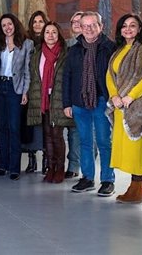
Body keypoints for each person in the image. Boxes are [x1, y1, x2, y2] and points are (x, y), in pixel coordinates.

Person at [63, 11, 116, 196]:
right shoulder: (74, 49)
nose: (89, 29)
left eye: (93, 25)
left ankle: (108, 180)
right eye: (85, 26)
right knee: (85, 141)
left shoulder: (110, 48)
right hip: (79, 102)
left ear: (101, 26)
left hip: (102, 101)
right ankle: (87, 178)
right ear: (81, 28)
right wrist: (67, 103)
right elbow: (67, 77)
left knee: (103, 141)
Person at [106, 14, 142, 203]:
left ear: (139, 29)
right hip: (121, 107)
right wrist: (114, 96)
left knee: (136, 148)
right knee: (126, 148)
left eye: (132, 26)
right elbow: (109, 75)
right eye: (124, 26)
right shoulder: (119, 50)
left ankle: (137, 187)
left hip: (137, 107)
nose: (128, 29)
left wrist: (130, 96)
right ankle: (135, 186)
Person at [27, 22, 72, 183]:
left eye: (54, 32)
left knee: (57, 135)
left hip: (58, 99)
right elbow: (34, 77)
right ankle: (50, 168)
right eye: (47, 32)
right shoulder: (38, 53)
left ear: (59, 34)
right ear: (43, 35)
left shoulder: (65, 53)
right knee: (47, 135)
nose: (50, 35)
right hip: (43, 100)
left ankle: (60, 168)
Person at [0, 14, 33, 180]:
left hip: (14, 88)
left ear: (15, 25)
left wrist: (25, 92)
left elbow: (27, 71)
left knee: (14, 128)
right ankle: (3, 165)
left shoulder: (26, 44)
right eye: (4, 25)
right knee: (2, 128)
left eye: (9, 24)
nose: (7, 28)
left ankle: (14, 167)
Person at [23, 10, 49, 174]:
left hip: (46, 90)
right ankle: (31, 159)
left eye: (41, 21)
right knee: (30, 126)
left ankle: (46, 159)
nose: (38, 24)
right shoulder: (26, 42)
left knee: (46, 126)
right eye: (35, 22)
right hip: (30, 89)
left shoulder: (50, 41)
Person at [64, 12, 83, 178]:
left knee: (91, 135)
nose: (76, 24)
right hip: (72, 95)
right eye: (74, 21)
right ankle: (73, 166)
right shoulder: (67, 45)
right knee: (73, 133)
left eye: (80, 21)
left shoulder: (94, 43)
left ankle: (88, 170)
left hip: (91, 98)